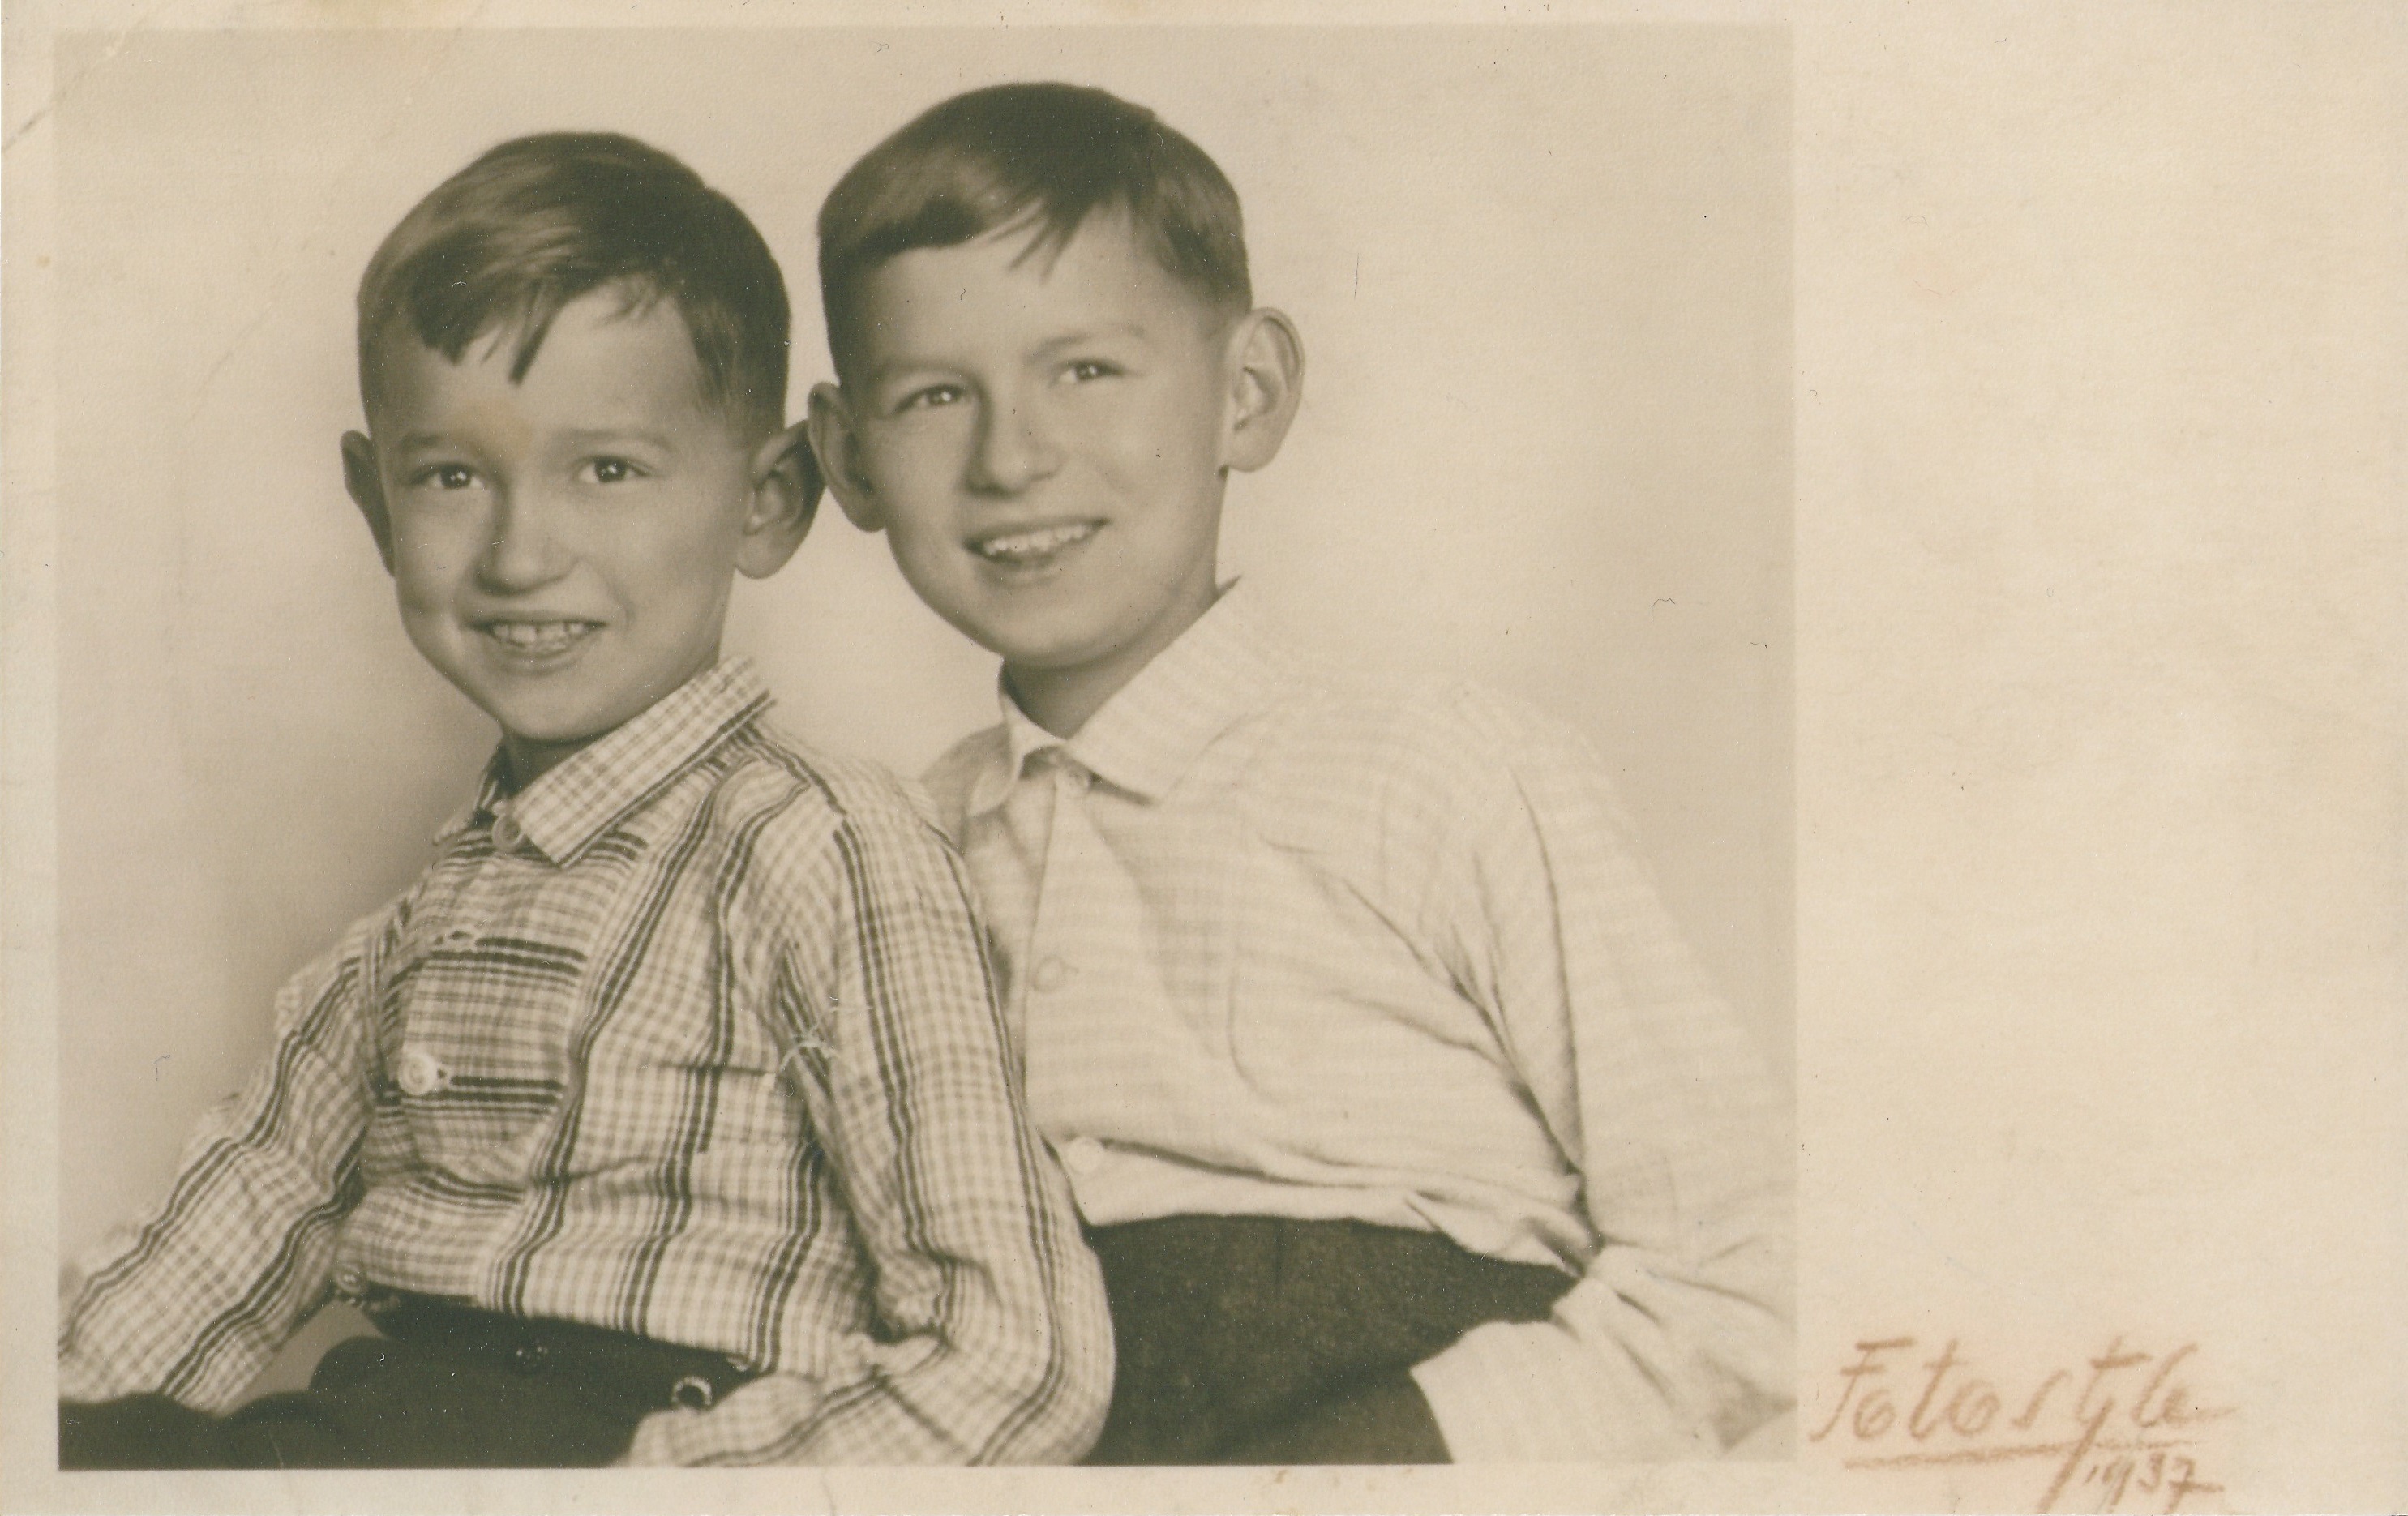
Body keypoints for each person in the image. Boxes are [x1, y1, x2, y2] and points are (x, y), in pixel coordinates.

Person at [55, 131, 1109, 1469]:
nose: (520, 553)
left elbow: (1015, 1356)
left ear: (766, 500)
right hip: (383, 1427)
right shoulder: (402, 945)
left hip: (641, 1437)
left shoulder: (819, 845)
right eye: (451, 476)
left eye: (607, 470)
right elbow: (206, 1252)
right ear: (376, 507)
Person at [803, 82, 1793, 1465]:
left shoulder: (1443, 769)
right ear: (847, 458)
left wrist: (1386, 1462)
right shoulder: (889, 854)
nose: (1011, 457)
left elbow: (1749, 1267)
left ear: (1248, 391)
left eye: (1085, 371)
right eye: (933, 396)